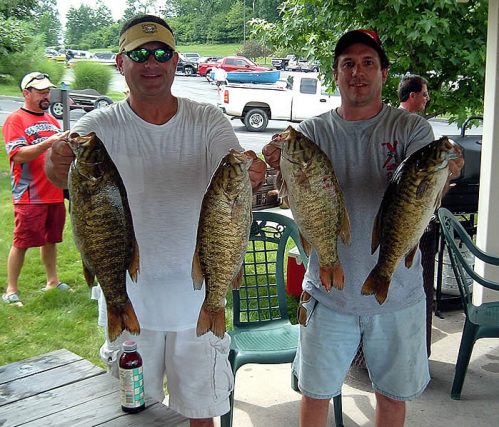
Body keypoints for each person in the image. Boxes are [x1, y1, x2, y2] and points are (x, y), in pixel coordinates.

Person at [45, 14, 267, 427]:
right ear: (121, 62)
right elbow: (60, 172)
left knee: (201, 417)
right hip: (130, 302)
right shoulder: (99, 126)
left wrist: (252, 170)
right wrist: (55, 161)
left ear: (175, 59)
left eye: (161, 53)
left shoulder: (207, 120)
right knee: (134, 418)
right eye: (139, 53)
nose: (151, 62)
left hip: (197, 302)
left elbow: (236, 166)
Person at [263, 29, 463, 427]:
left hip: (399, 297)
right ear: (336, 74)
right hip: (327, 292)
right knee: (315, 394)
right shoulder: (312, 133)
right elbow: (289, 191)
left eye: (368, 63)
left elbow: (421, 195)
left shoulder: (411, 130)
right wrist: (275, 162)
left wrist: (447, 173)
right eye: (347, 64)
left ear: (384, 74)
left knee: (391, 397)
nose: (358, 72)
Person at [2, 72, 70, 305]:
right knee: (22, 242)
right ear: (26, 93)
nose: (46, 96)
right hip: (30, 193)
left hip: (54, 192)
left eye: (47, 91)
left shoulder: (51, 120)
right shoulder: (15, 120)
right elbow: (18, 155)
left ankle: (52, 281)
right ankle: (11, 289)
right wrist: (49, 142)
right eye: (41, 92)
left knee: (52, 240)